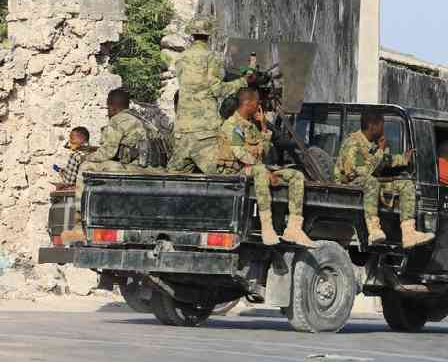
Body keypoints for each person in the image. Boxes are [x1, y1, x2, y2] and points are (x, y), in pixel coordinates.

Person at [217, 88, 316, 248]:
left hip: (257, 168)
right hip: (237, 171)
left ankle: (294, 228)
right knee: (261, 170)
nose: (259, 106)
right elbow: (241, 155)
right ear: (247, 104)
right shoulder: (233, 126)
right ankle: (267, 226)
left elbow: (266, 151)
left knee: (295, 175)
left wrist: (263, 127)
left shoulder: (251, 126)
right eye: (257, 103)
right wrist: (265, 170)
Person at [333, 111, 434, 249]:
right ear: (372, 126)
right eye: (381, 126)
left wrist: (403, 159)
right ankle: (374, 229)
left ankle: (408, 232)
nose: (383, 129)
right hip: (350, 184)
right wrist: (380, 150)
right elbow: (359, 172)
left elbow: (384, 161)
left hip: (369, 183)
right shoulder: (353, 144)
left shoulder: (371, 144)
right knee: (372, 181)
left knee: (405, 183)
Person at [61, 88, 151, 243]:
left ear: (112, 106)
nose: (108, 112)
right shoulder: (140, 118)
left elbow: (106, 153)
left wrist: (87, 157)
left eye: (108, 108)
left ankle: (78, 222)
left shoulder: (118, 120)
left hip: (132, 167)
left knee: (86, 167)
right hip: (147, 166)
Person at [167, 17, 253, 174]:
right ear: (209, 35)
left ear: (192, 34)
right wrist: (243, 81)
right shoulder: (211, 57)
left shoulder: (181, 58)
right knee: (224, 177)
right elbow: (218, 90)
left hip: (182, 131)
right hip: (205, 132)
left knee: (174, 180)